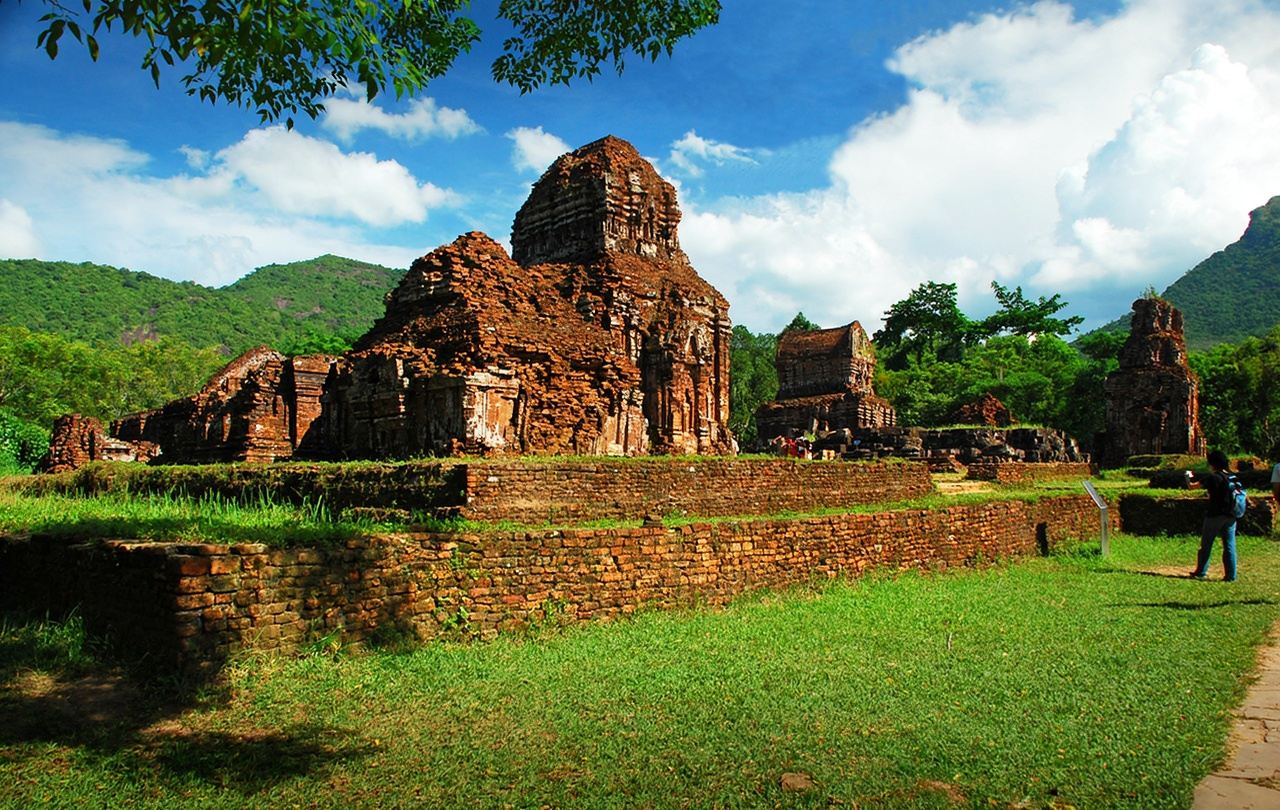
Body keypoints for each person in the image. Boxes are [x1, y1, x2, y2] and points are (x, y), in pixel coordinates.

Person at [1187, 450, 1238, 582]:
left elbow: (1192, 487)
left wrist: (1187, 477)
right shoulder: (1233, 477)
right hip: (1231, 515)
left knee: (1206, 544)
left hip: (1215, 515)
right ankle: (1231, 575)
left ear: (1212, 463)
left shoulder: (1213, 477)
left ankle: (1201, 571)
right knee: (1229, 545)